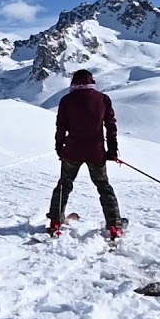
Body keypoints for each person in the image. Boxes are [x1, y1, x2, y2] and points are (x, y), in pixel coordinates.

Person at [49, 69, 124, 238]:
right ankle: (114, 225)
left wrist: (59, 147)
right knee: (103, 186)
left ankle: (55, 221)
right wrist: (112, 151)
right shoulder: (103, 99)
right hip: (95, 152)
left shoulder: (66, 100)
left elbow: (61, 126)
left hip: (72, 151)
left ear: (74, 83)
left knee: (64, 185)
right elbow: (111, 127)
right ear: (92, 82)